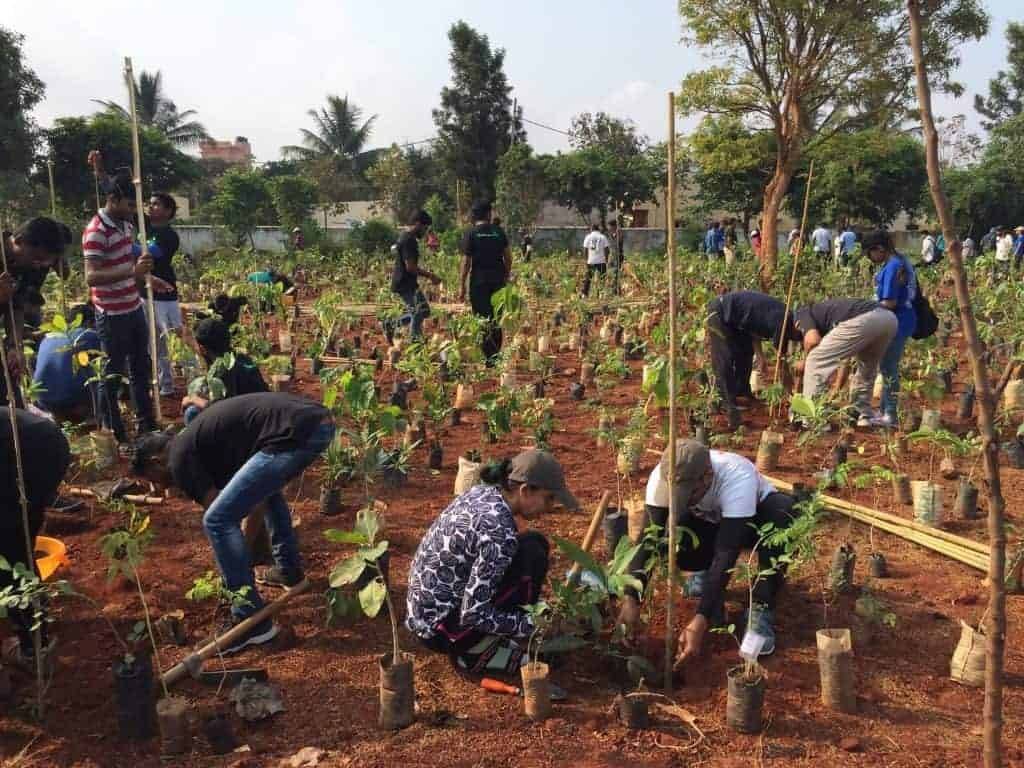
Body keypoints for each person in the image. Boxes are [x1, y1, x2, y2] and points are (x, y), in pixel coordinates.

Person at [132, 393, 334, 652]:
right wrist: (239, 556)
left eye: (152, 478)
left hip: (295, 432)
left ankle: (249, 620)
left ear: (155, 461)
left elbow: (224, 517)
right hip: (316, 420)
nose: (157, 486)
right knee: (264, 492)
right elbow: (254, 500)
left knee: (216, 520)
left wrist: (236, 568)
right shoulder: (200, 442)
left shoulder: (179, 460)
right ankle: (288, 570)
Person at [617, 440, 797, 661]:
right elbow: (648, 539)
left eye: (688, 493)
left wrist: (701, 619)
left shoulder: (737, 478)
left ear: (707, 475)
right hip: (710, 522)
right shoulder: (662, 477)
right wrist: (631, 598)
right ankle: (703, 576)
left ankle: (761, 605)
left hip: (752, 522)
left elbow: (726, 554)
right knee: (678, 530)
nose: (681, 498)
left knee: (782, 512)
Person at [406, 449, 579, 674]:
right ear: (525, 491)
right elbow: (473, 614)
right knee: (533, 555)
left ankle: (498, 637)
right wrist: (531, 625)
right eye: (549, 498)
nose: (550, 507)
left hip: (423, 615)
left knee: (533, 544)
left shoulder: (481, 493)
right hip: (443, 631)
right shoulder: (499, 532)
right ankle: (476, 652)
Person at [83, 162, 166, 442]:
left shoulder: (126, 224)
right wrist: (132, 272)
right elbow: (91, 277)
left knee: (141, 367)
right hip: (111, 313)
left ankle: (146, 423)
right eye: (129, 204)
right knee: (112, 373)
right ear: (113, 200)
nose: (133, 210)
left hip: (133, 307)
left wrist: (147, 280)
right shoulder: (96, 231)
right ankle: (115, 430)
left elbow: (128, 260)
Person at [0, 407, 71, 668]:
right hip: (47, 440)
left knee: (11, 550)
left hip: (30, 451)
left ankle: (34, 648)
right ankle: (35, 614)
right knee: (20, 541)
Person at [0, 218, 70, 409]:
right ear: (20, 240)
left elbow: (16, 307)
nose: (39, 266)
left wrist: (15, 345)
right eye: (37, 259)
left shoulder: (28, 267)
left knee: (13, 408)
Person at [706, 291, 800, 429]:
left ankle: (741, 392)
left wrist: (760, 356)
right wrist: (790, 394)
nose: (793, 340)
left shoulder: (784, 317)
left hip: (738, 321)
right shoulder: (784, 323)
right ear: (796, 328)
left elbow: (754, 328)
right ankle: (727, 404)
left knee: (745, 352)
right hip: (721, 312)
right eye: (796, 338)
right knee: (723, 359)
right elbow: (782, 365)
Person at [795, 298, 897, 423]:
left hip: (866, 318)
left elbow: (812, 340)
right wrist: (837, 385)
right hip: (889, 319)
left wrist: (805, 361)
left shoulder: (801, 313)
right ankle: (862, 414)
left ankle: (812, 419)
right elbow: (844, 359)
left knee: (815, 359)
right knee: (867, 367)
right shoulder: (828, 314)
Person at [863, 231, 916, 428]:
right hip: (902, 319)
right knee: (887, 367)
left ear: (879, 249)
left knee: (889, 368)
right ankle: (885, 411)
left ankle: (891, 415)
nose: (870, 258)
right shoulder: (899, 261)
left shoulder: (893, 266)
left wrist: (867, 306)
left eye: (870, 253)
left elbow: (890, 302)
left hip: (897, 321)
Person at [181, 318, 268, 423]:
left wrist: (193, 399)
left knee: (192, 412)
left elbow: (223, 410)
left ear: (203, 348)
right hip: (261, 415)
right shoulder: (240, 358)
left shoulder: (223, 369)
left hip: (246, 424)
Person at [458, 202, 511, 363]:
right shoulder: (499, 232)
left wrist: (461, 285)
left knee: (482, 318)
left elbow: (466, 262)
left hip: (479, 282)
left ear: (474, 216)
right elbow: (508, 258)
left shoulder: (471, 233)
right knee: (496, 319)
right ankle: (494, 358)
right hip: (498, 281)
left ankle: (487, 357)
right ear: (488, 214)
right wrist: (506, 276)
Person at [32, 303, 101, 421]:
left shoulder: (48, 337)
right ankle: (94, 417)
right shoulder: (89, 335)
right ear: (89, 322)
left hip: (44, 400)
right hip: (73, 401)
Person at [145, 192, 182, 397]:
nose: (151, 207)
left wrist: (124, 250)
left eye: (156, 204)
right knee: (154, 341)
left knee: (176, 336)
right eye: (149, 204)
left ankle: (195, 376)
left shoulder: (169, 235)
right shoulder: (145, 226)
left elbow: (151, 253)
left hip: (164, 294)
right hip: (145, 292)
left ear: (168, 211)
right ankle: (164, 382)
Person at [390, 210, 441, 342]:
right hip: (404, 283)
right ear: (417, 224)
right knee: (418, 313)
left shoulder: (409, 237)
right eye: (424, 228)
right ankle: (415, 345)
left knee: (424, 310)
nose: (425, 232)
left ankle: (390, 325)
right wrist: (431, 276)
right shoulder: (408, 240)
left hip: (408, 282)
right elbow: (410, 267)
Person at [581, 223, 610, 296]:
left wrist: (586, 260)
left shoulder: (588, 237)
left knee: (588, 278)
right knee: (602, 278)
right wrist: (606, 259)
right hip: (601, 261)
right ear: (598, 229)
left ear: (591, 229)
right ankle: (601, 293)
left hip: (591, 261)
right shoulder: (603, 237)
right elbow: (607, 249)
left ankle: (585, 294)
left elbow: (585, 249)